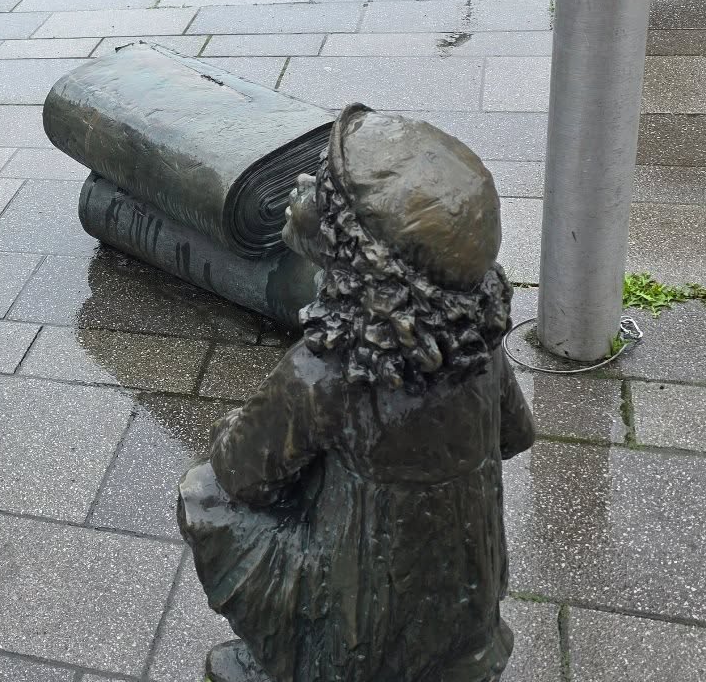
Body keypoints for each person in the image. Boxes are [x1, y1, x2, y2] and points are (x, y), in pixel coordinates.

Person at [178, 104, 536, 682]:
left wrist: (235, 431)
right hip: (466, 626)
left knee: (204, 494)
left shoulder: (322, 372)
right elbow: (516, 436)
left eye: (320, 191)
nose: (300, 187)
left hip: (356, 638)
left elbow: (241, 473)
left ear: (353, 250)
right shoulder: (479, 352)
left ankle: (292, 655)